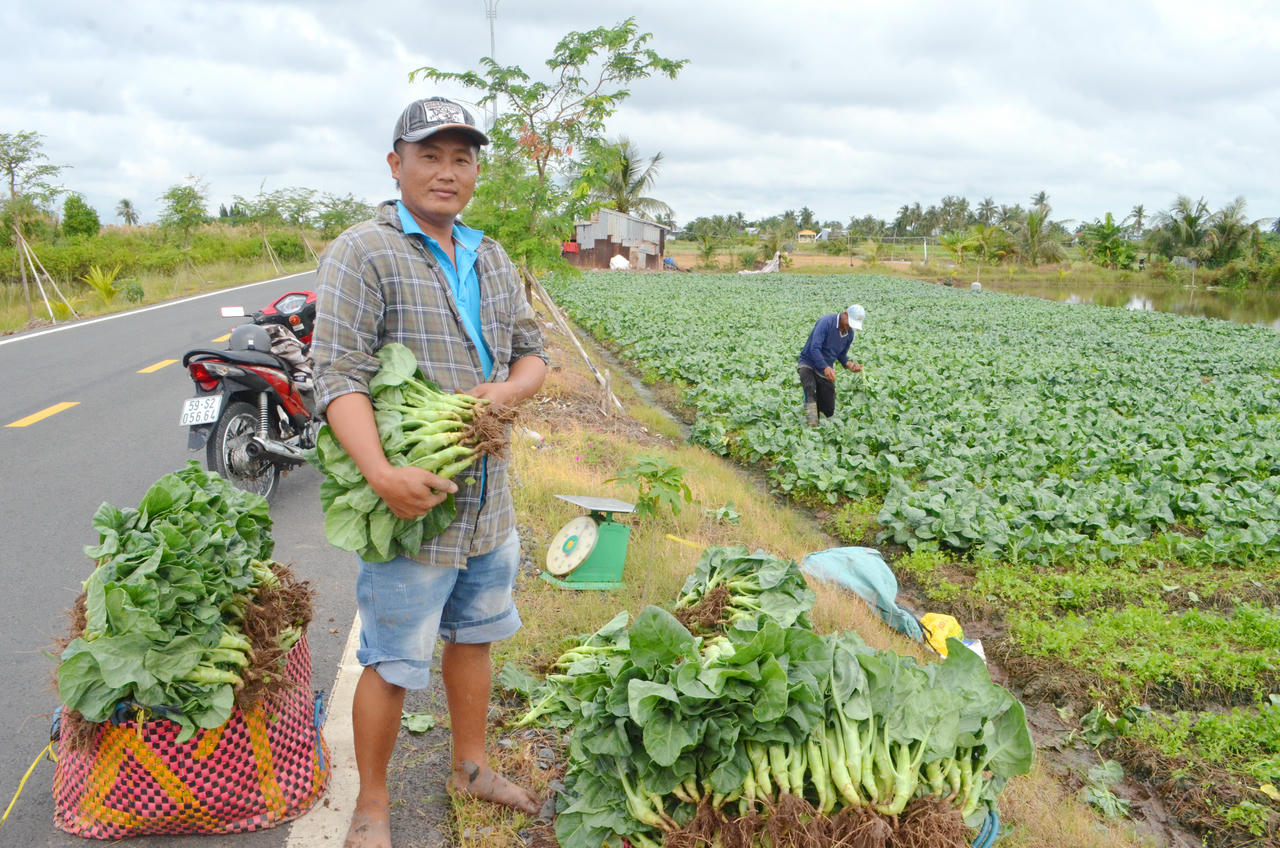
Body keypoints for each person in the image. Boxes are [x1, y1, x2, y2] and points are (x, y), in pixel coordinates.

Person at [311, 95, 549, 848]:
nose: (448, 172)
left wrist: (508, 392)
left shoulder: (491, 254)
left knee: (475, 636)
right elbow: (338, 374)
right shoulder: (364, 250)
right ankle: (372, 804)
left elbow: (532, 351)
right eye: (430, 155)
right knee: (391, 658)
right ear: (396, 165)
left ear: (477, 170)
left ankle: (470, 766)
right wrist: (380, 473)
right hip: (414, 501)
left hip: (490, 498)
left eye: (462, 157)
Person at [797, 304, 864, 426]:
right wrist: (825, 367)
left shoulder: (849, 334)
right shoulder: (826, 322)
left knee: (828, 410)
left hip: (825, 369)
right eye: (850, 322)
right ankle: (812, 426)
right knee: (810, 389)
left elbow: (841, 355)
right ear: (845, 314)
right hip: (808, 363)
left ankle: (821, 427)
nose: (850, 327)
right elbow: (814, 348)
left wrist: (850, 365)